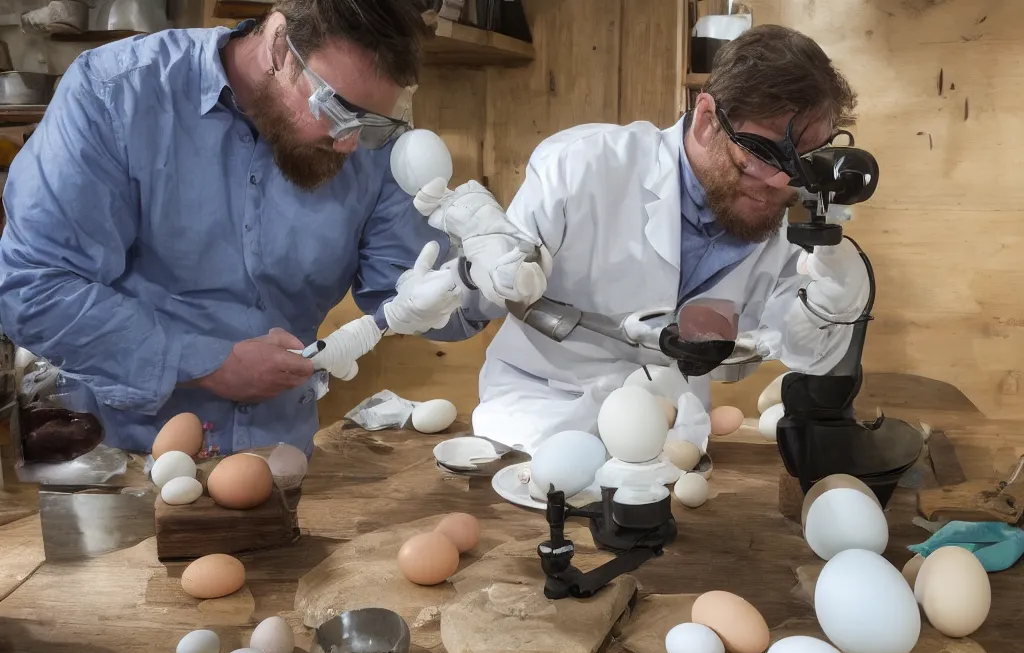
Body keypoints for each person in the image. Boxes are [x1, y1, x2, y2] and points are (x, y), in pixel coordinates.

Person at [0, 0, 486, 457]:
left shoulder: (364, 143)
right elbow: (32, 288)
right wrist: (206, 363)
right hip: (120, 463)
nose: (348, 145)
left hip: (281, 464)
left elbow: (409, 293)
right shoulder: (116, 94)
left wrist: (485, 276)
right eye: (336, 111)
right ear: (279, 46)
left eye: (371, 123)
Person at [446, 24, 872, 453]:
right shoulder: (581, 169)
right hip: (537, 423)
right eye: (762, 154)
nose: (780, 181)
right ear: (707, 121)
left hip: (668, 438)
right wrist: (473, 270)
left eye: (801, 164)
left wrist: (833, 303)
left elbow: (803, 350)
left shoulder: (785, 218)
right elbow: (481, 298)